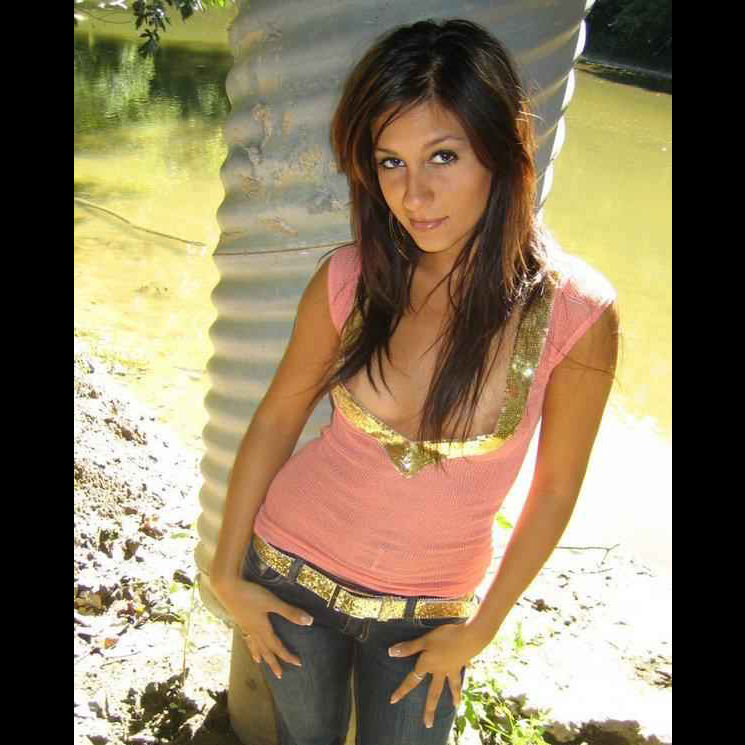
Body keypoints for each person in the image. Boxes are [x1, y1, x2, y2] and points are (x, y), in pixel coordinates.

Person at [210, 18, 619, 745]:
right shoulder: (350, 278)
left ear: (501, 149)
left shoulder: (576, 314)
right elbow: (275, 419)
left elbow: (555, 489)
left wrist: (481, 628)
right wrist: (225, 574)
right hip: (287, 575)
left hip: (429, 615)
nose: (415, 194)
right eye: (390, 162)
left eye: (443, 155)